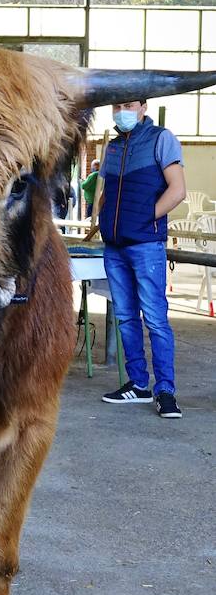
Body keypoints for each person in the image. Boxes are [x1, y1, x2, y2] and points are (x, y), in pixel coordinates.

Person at [97, 98, 186, 417]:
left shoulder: (161, 138)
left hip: (146, 245)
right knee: (125, 316)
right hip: (115, 247)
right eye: (117, 106)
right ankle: (137, 384)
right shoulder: (113, 148)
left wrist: (145, 219)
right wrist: (103, 220)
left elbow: (177, 190)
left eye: (129, 105)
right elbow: (107, 191)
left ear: (143, 107)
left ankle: (165, 391)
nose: (123, 111)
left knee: (155, 317)